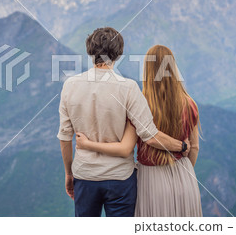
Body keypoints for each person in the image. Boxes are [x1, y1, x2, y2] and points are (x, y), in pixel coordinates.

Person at [57, 28, 190, 217]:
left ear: (90, 51)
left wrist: (69, 174)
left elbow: (64, 137)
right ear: (118, 54)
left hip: (84, 175)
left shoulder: (70, 85)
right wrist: (182, 146)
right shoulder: (128, 88)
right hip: (120, 178)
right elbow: (150, 136)